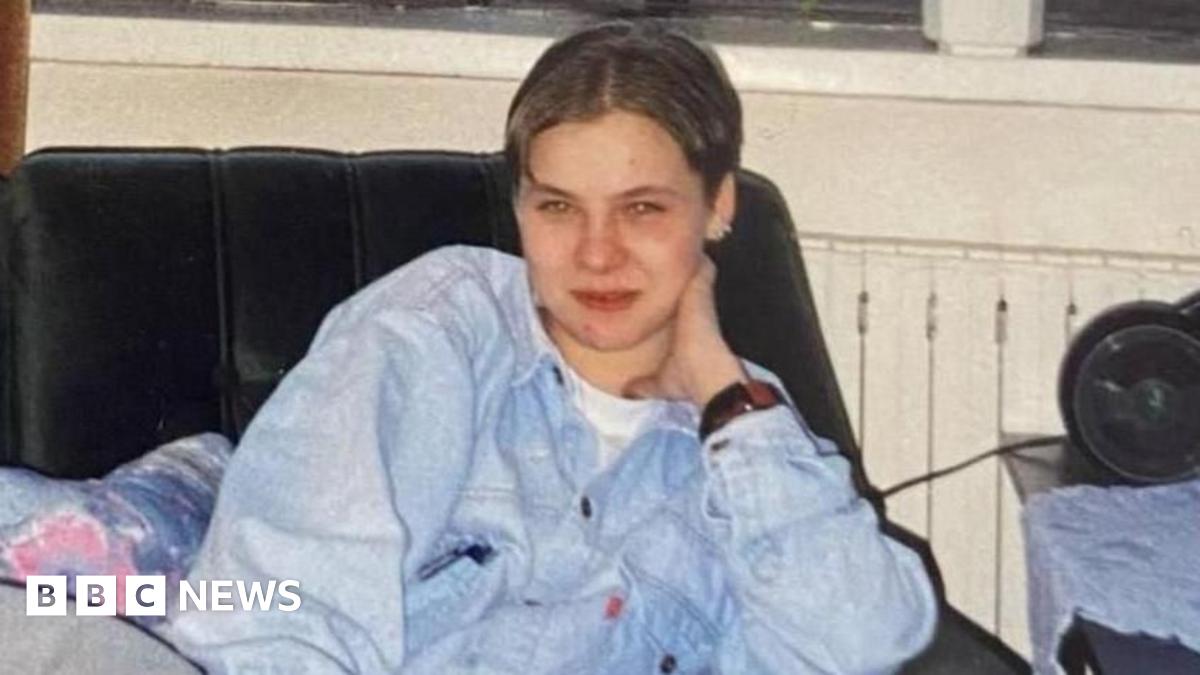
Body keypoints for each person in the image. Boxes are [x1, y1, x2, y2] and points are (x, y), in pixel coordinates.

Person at [165, 20, 937, 674]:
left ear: (718, 206)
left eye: (641, 208)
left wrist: (720, 388)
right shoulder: (436, 333)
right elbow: (279, 606)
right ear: (520, 206)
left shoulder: (749, 441)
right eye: (560, 207)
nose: (597, 256)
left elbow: (861, 641)